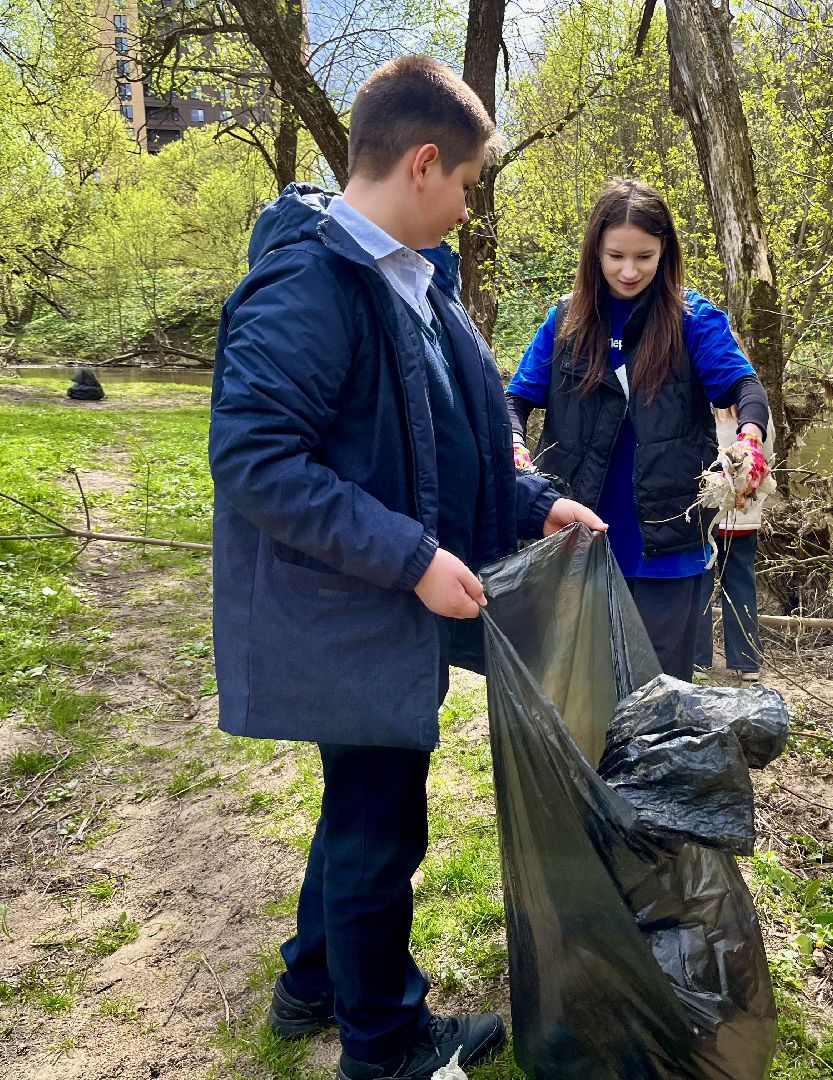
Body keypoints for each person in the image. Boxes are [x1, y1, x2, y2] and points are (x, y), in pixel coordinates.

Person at [208, 56, 604, 1080]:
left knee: (361, 804)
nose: (469, 207)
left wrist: (533, 502)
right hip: (350, 609)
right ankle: (384, 1044)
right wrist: (414, 557)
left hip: (386, 600)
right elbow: (255, 459)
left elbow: (446, 437)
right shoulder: (312, 282)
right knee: (380, 824)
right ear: (423, 162)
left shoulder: (415, 277)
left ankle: (310, 983)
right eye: (466, 182)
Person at [505, 178, 770, 681]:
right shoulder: (566, 321)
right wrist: (514, 446)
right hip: (575, 546)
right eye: (616, 256)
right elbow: (514, 400)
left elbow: (744, 387)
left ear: (665, 251)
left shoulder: (693, 321)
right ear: (595, 252)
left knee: (658, 699)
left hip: (667, 552)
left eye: (644, 257)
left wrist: (750, 439)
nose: (629, 271)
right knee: (578, 696)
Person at [694, 407, 776, 684]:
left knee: (700, 584)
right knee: (741, 584)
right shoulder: (756, 412)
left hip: (706, 513)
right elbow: (765, 456)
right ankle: (746, 661)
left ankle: (697, 659)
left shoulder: (698, 404)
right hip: (744, 513)